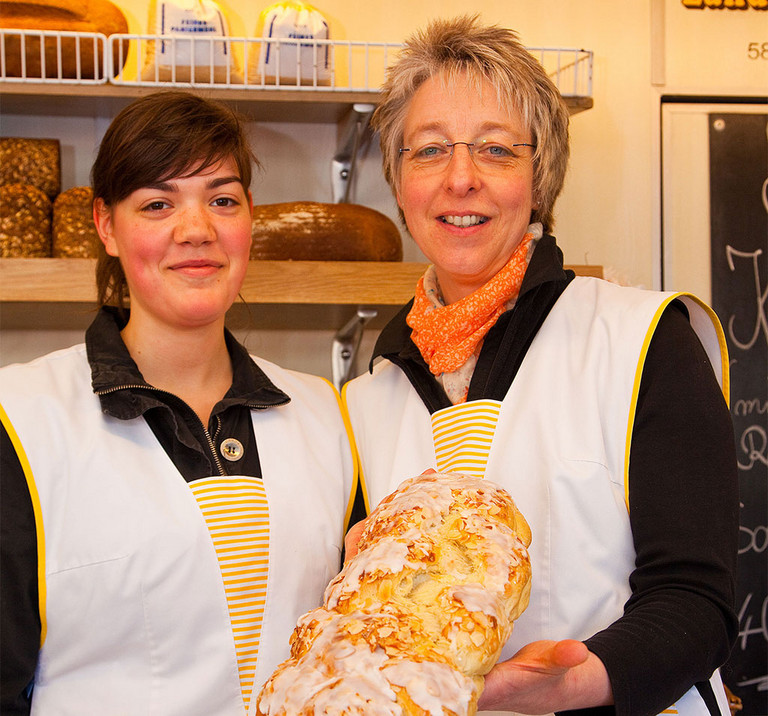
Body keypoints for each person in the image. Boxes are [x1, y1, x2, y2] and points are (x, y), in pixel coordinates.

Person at [342, 15, 739, 716]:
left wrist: (576, 683)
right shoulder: (367, 399)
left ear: (540, 175)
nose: (460, 179)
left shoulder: (643, 339)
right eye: (430, 150)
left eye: (495, 149)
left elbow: (696, 601)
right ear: (399, 183)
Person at [0, 90, 356, 715]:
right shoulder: (21, 419)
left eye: (222, 200)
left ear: (250, 219)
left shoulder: (326, 415)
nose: (196, 230)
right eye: (158, 203)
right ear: (107, 226)